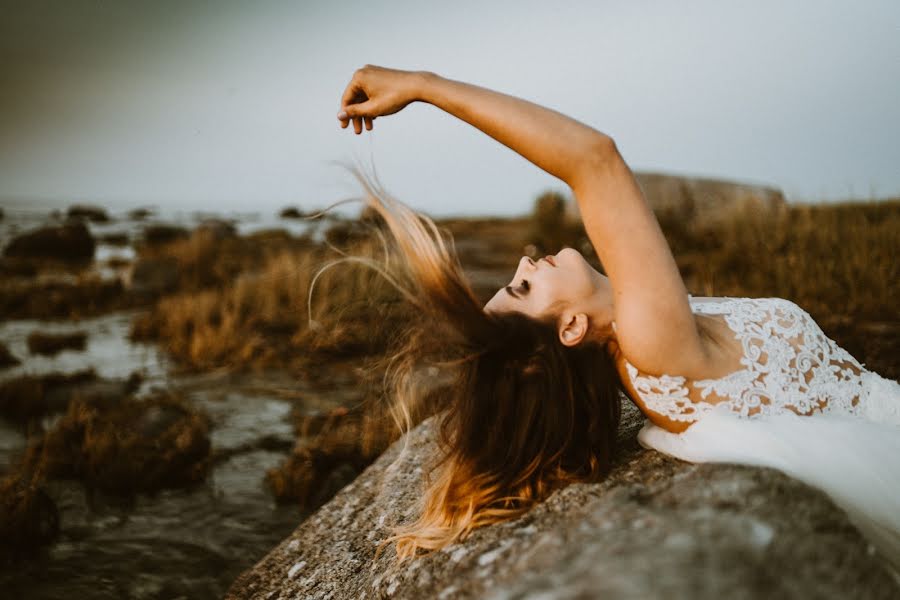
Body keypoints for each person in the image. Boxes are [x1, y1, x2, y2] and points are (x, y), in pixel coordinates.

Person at [333, 65, 900, 574]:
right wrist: (424, 86)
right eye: (524, 286)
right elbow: (593, 159)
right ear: (572, 329)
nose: (526, 260)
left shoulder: (649, 320)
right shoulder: (650, 343)